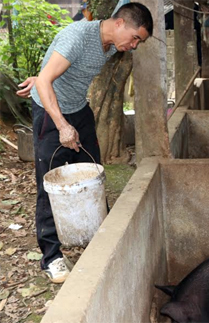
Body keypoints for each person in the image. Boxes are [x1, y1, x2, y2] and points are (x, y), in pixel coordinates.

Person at [16, 3, 153, 284]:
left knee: (94, 174)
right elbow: (47, 79)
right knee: (50, 184)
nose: (135, 45)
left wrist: (44, 76)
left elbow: (54, 69)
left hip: (79, 110)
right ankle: (51, 257)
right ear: (119, 23)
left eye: (139, 41)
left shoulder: (113, 44)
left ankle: (100, 238)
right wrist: (61, 123)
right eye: (136, 37)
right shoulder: (79, 35)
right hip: (52, 115)